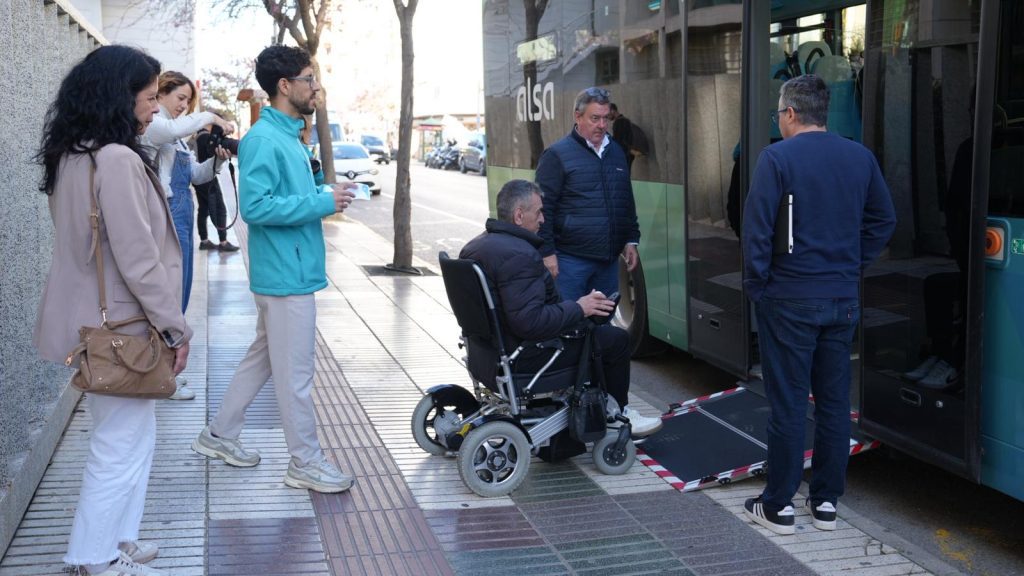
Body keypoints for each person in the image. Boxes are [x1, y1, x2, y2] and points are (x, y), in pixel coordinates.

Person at [33, 45, 191, 576]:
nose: (155, 108)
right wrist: (174, 327)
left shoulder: (72, 154)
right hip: (125, 324)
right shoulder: (118, 159)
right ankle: (93, 558)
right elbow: (138, 259)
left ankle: (118, 539)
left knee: (129, 434)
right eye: (148, 98)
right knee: (119, 443)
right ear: (118, 99)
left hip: (92, 322)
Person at [191, 45, 359, 493]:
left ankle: (219, 434)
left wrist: (325, 192)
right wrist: (323, 202)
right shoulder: (266, 139)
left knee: (263, 358)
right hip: (285, 276)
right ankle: (305, 462)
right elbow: (257, 207)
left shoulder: (286, 135)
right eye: (309, 78)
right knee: (296, 376)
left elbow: (287, 196)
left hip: (287, 271)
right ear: (285, 86)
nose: (316, 87)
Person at [741, 74, 896, 535]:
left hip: (789, 297)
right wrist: (852, 264)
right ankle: (826, 502)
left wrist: (758, 286)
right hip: (841, 298)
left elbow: (757, 231)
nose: (779, 121)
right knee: (833, 404)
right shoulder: (859, 156)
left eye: (779, 113)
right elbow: (883, 220)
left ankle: (778, 505)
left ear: (790, 113)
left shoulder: (776, 158)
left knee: (788, 404)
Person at [460, 179, 663, 436]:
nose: (543, 219)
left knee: (593, 330)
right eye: (538, 212)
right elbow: (530, 322)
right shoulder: (520, 255)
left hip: (487, 353)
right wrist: (580, 308)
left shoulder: (477, 245)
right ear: (519, 216)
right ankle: (618, 414)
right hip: (527, 356)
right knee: (616, 340)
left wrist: (579, 308)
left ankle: (601, 408)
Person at [143, 71, 232, 400]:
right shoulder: (155, 125)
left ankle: (167, 371)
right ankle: (162, 375)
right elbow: (172, 129)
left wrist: (216, 163)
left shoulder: (178, 137)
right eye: (180, 98)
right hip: (166, 214)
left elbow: (196, 174)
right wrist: (210, 116)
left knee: (180, 291)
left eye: (188, 101)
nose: (183, 105)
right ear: (160, 94)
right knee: (169, 295)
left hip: (182, 214)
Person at [535, 87, 640, 302]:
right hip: (570, 262)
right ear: (578, 116)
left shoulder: (616, 151)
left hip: (608, 263)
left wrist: (631, 239)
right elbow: (543, 209)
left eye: (605, 118)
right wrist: (547, 252)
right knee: (570, 319)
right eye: (595, 118)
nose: (602, 125)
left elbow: (625, 200)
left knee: (602, 320)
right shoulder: (556, 155)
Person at [194, 120, 240, 252]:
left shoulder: (199, 136)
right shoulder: (205, 137)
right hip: (207, 179)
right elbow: (209, 154)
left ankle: (204, 241)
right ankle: (223, 242)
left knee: (203, 209)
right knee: (220, 209)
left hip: (199, 180)